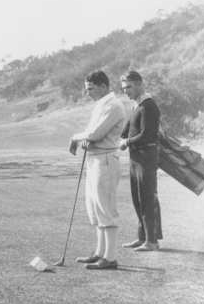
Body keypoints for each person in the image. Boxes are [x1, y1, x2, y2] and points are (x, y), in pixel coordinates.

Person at [69, 71, 127, 270]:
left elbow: (95, 134)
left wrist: (75, 137)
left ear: (103, 86)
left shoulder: (113, 105)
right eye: (87, 89)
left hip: (106, 160)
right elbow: (91, 136)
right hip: (95, 160)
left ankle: (110, 258)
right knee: (94, 208)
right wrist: (85, 139)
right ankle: (99, 253)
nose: (88, 93)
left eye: (91, 89)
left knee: (105, 208)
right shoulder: (100, 105)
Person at [119, 71, 162, 252]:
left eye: (128, 87)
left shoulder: (148, 105)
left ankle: (151, 241)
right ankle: (142, 237)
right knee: (137, 198)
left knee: (147, 198)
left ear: (139, 84)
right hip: (136, 158)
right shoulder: (137, 106)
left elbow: (147, 135)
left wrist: (127, 142)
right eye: (123, 88)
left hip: (146, 157)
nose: (126, 91)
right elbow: (127, 130)